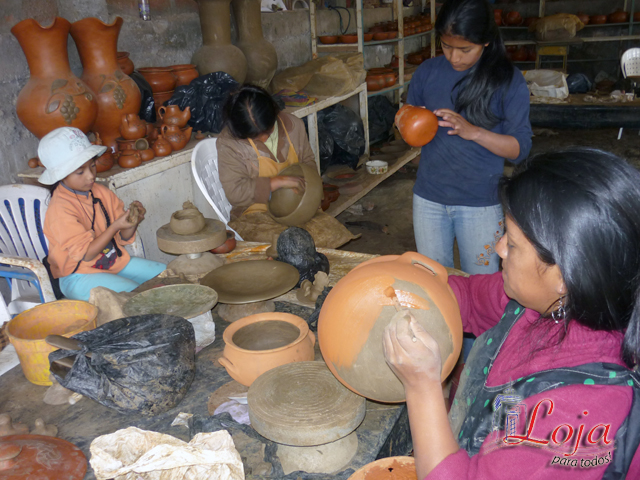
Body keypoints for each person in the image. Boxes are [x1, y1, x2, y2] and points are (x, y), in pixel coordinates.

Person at [383, 148, 640, 479]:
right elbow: (467, 297)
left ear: (563, 276)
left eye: (514, 244)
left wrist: (422, 385)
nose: (499, 248)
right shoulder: (540, 302)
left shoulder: (579, 416)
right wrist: (403, 294)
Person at [407, 0, 532, 275]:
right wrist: (404, 122)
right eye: (446, 46)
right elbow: (409, 123)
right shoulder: (427, 72)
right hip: (429, 199)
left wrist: (472, 131)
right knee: (434, 281)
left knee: (482, 285)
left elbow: (519, 148)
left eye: (465, 49)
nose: (454, 57)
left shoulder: (507, 80)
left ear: (486, 41)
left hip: (480, 204)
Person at [216, 84, 356, 249]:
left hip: (297, 206)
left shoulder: (294, 126)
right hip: (253, 214)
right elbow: (235, 193)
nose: (262, 139)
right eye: (254, 136)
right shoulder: (229, 143)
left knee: (331, 234)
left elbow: (308, 160)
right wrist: (275, 183)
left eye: (267, 132)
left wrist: (312, 188)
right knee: (289, 244)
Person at [40, 127, 166, 301]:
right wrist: (115, 226)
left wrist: (133, 221)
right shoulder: (59, 209)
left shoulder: (100, 192)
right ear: (61, 175)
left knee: (165, 275)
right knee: (134, 296)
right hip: (77, 276)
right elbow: (87, 254)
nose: (91, 176)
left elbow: (123, 236)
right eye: (80, 172)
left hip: (112, 263)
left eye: (92, 166)